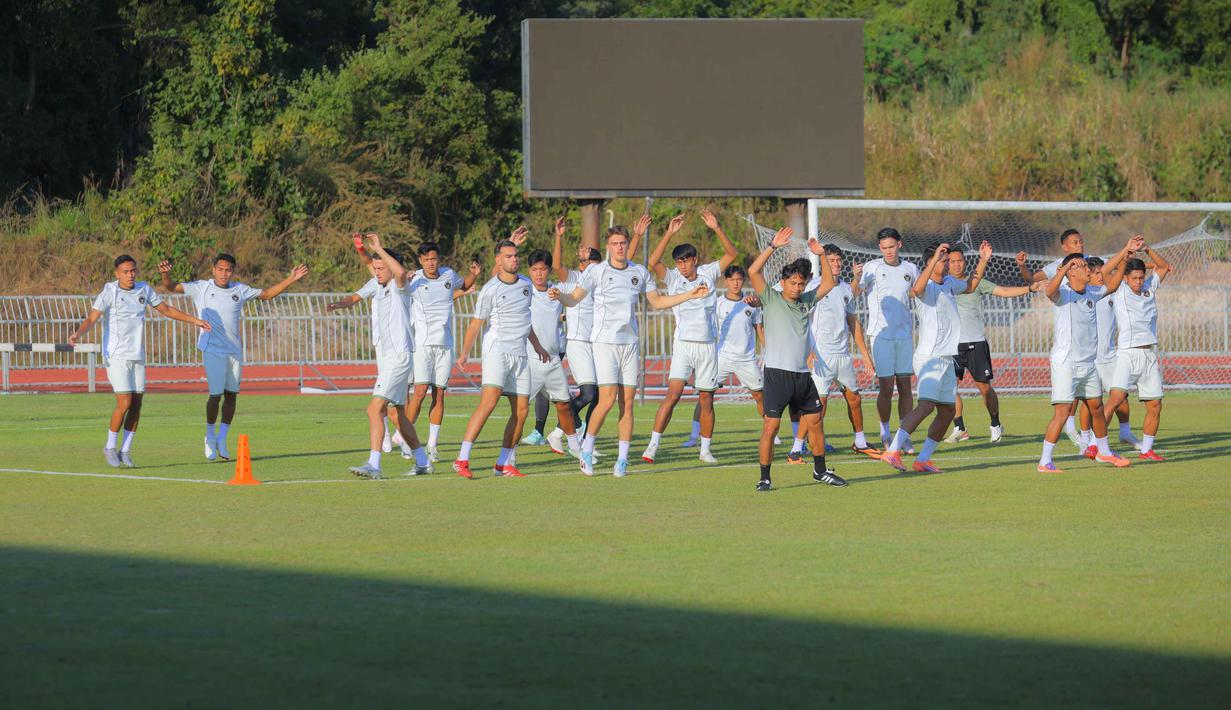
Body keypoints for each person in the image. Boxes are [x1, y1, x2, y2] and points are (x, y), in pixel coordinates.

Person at [549, 222, 710, 477]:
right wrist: (560, 297)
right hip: (604, 343)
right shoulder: (596, 271)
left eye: (623, 243)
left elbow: (657, 302)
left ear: (627, 244)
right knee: (607, 399)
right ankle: (586, 451)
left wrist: (689, 295)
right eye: (614, 244)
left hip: (630, 345)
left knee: (627, 403)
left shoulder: (639, 272)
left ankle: (622, 460)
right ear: (608, 246)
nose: (620, 247)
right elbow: (575, 298)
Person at [157, 253, 308, 461]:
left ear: (232, 271)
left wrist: (291, 279)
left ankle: (222, 438)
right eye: (220, 269)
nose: (224, 273)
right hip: (212, 348)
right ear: (213, 269)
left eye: (228, 270)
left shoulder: (239, 290)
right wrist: (166, 275)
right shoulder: (202, 287)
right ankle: (209, 436)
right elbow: (172, 287)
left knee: (231, 395)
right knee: (215, 395)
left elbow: (266, 294)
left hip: (234, 350)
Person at [69, 255, 212, 468]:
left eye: (133, 270)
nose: (130, 275)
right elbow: (92, 318)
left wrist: (196, 321)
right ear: (117, 273)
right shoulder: (110, 292)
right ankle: (110, 446)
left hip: (138, 355)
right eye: (125, 272)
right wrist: (77, 334)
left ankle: (125, 450)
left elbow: (166, 310)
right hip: (116, 355)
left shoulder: (143, 289)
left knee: (137, 404)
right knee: (124, 402)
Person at [745, 228, 845, 492]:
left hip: (802, 376)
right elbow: (753, 273)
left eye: (801, 284)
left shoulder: (806, 301)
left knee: (816, 422)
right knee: (771, 426)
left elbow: (828, 284)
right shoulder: (771, 298)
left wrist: (821, 254)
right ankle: (765, 477)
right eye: (793, 283)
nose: (797, 288)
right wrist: (772, 247)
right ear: (783, 282)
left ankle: (820, 471)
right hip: (777, 375)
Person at [326, 235, 432, 479]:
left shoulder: (400, 285)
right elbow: (354, 298)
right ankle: (422, 461)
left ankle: (374, 464)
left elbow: (401, 273)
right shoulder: (377, 284)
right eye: (375, 268)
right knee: (398, 415)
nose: (377, 272)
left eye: (381, 267)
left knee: (373, 410)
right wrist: (338, 305)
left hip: (399, 357)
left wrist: (379, 249)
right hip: (387, 357)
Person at [881, 241, 992, 473]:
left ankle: (923, 460)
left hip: (947, 357)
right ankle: (892, 451)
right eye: (944, 260)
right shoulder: (925, 284)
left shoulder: (950, 283)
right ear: (931, 263)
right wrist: (933, 261)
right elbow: (916, 291)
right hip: (930, 356)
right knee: (926, 406)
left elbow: (971, 285)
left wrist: (983, 260)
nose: (949, 263)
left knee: (948, 411)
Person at [1035, 237, 1142, 473]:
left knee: (1096, 406)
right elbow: (1049, 291)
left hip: (1087, 364)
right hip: (1066, 364)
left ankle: (1103, 452)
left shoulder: (1092, 293)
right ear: (1071, 272)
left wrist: (1125, 255)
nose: (1088, 268)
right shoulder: (1063, 293)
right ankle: (1045, 461)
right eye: (1082, 266)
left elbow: (1112, 285)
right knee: (1062, 413)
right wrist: (1064, 268)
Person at [642, 209, 738, 465]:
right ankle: (652, 446)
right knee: (672, 394)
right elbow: (652, 262)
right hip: (683, 346)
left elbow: (732, 255)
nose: (682, 266)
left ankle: (705, 450)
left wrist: (716, 227)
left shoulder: (708, 272)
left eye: (686, 261)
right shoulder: (673, 278)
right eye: (679, 262)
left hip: (707, 346)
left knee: (706, 399)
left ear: (695, 260)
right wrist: (669, 232)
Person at [452, 238, 552, 478]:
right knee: (489, 401)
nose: (514, 259)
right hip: (497, 350)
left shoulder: (527, 285)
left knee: (521, 411)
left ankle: (503, 463)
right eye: (508, 256)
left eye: (516, 255)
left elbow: (525, 321)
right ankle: (462, 458)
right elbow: (476, 323)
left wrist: (537, 346)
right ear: (498, 260)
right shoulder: (490, 289)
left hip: (521, 353)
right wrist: (465, 352)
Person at [944, 248, 1041, 443]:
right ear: (946, 263)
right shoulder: (943, 285)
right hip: (951, 345)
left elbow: (1003, 291)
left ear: (965, 262)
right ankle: (959, 428)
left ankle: (995, 423)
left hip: (975, 343)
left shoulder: (976, 282)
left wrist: (1029, 288)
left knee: (984, 388)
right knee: (949, 388)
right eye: (952, 261)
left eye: (960, 260)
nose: (956, 264)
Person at [399, 242, 481, 461]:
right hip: (423, 344)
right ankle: (407, 439)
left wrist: (473, 275)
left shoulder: (448, 275)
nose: (430, 263)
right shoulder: (413, 279)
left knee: (440, 393)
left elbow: (463, 285)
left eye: (433, 259)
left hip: (445, 344)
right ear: (420, 261)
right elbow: (397, 288)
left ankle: (432, 445)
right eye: (426, 260)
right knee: (419, 392)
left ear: (438, 259)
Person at [806, 244, 881, 459]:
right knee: (820, 403)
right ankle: (814, 443)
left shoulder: (846, 289)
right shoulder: (813, 287)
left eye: (838, 260)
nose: (836, 264)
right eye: (831, 260)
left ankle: (859, 441)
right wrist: (808, 351)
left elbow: (853, 324)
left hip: (842, 355)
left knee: (855, 399)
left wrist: (866, 356)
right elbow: (801, 320)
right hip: (820, 355)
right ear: (823, 264)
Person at [1102, 244, 1173, 461]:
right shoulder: (1121, 290)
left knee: (1155, 404)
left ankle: (1146, 450)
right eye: (1134, 278)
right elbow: (1105, 271)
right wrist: (1125, 251)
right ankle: (1097, 446)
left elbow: (1163, 266)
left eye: (1141, 277)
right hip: (1127, 353)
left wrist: (1147, 249)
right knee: (1115, 400)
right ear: (1125, 278)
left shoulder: (1149, 287)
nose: (1139, 281)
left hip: (1149, 354)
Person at [1017, 228, 1086, 449]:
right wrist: (1022, 266)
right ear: (1065, 247)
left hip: (1091, 322)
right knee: (1078, 394)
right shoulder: (1057, 266)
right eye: (1074, 243)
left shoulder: (1091, 262)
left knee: (1094, 397)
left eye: (1081, 241)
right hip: (1069, 325)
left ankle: (1094, 443)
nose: (1079, 245)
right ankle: (1074, 431)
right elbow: (1031, 278)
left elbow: (1113, 271)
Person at [681, 265, 765, 448]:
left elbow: (759, 329)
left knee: (759, 395)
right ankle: (694, 437)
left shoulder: (751, 303)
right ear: (726, 281)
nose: (735, 283)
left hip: (746, 359)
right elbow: (707, 328)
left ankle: (771, 432)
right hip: (722, 358)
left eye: (739, 279)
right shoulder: (718, 303)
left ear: (743, 281)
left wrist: (770, 350)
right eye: (732, 279)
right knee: (705, 394)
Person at [853, 227, 920, 454]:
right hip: (880, 336)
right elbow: (855, 292)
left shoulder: (911, 268)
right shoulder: (872, 268)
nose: (888, 251)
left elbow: (919, 293)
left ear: (899, 245)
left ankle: (904, 435)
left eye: (891, 247)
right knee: (885, 387)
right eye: (884, 248)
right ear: (879, 248)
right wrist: (854, 277)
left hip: (904, 336)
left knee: (905, 387)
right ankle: (885, 432)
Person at [544, 216, 602, 454]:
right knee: (588, 393)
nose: (593, 268)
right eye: (589, 262)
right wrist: (559, 237)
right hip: (578, 342)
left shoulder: (603, 282)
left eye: (596, 263)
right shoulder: (574, 279)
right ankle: (557, 432)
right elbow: (557, 266)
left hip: (598, 343)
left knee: (599, 396)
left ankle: (588, 441)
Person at [524, 249, 582, 458]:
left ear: (548, 270)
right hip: (530, 360)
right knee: (520, 410)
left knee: (564, 405)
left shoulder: (557, 291)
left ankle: (577, 449)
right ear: (529, 271)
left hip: (554, 359)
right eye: (534, 269)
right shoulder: (524, 289)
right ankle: (507, 457)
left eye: (543, 269)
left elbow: (577, 296)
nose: (539, 273)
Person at [1084, 256, 1142, 452]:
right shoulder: (1083, 294)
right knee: (1089, 403)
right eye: (1096, 273)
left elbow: (1116, 273)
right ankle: (1088, 440)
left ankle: (1125, 431)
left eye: (1103, 272)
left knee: (1121, 397)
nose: (1101, 277)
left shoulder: (1109, 292)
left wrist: (1127, 256)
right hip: (1088, 359)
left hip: (1109, 357)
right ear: (1087, 275)